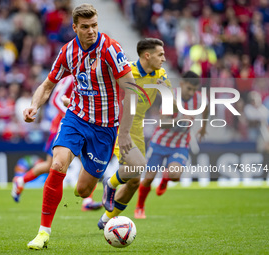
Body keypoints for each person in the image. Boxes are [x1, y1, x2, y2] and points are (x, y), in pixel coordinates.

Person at [23, 4, 136, 250]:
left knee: (83, 191)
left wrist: (126, 129)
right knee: (57, 164)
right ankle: (43, 233)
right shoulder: (67, 52)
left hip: (106, 128)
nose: (91, 31)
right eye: (85, 27)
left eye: (94, 25)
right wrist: (34, 105)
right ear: (75, 28)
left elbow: (130, 88)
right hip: (76, 117)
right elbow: (46, 85)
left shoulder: (110, 48)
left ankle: (102, 186)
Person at [98, 38, 172, 229]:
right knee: (138, 167)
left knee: (134, 182)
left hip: (137, 126)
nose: (164, 58)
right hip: (118, 125)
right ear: (147, 56)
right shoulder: (126, 72)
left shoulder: (160, 74)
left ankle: (107, 220)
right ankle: (111, 182)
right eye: (160, 54)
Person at [11, 75, 102, 211]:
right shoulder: (70, 78)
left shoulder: (90, 79)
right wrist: (74, 117)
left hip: (79, 127)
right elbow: (55, 100)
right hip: (63, 127)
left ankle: (87, 200)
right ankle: (21, 180)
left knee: (87, 161)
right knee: (51, 165)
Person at [135, 70, 209, 218]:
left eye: (194, 90)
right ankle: (140, 207)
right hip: (160, 142)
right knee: (148, 178)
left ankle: (165, 179)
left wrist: (203, 128)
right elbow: (162, 123)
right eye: (189, 89)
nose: (191, 92)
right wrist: (180, 120)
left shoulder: (199, 99)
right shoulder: (171, 97)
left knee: (175, 175)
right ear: (182, 84)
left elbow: (206, 109)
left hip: (180, 143)